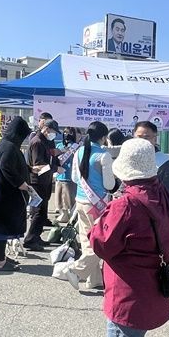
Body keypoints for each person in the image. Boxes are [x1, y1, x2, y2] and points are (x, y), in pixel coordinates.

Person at [88, 138, 169, 337]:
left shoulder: (125, 205)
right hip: (152, 286)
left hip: (127, 293)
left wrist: (98, 222)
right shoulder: (162, 194)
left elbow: (102, 244)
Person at [66, 121, 116, 290]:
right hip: (97, 205)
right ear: (104, 137)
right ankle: (76, 270)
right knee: (98, 242)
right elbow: (109, 185)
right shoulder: (104, 155)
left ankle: (94, 280)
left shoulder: (79, 151)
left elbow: (74, 178)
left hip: (80, 201)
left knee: (87, 241)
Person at [0, 117, 34, 271]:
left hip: (3, 196)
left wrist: (29, 169)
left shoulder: (6, 144)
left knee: (3, 230)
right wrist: (21, 183)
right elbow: (6, 167)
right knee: (0, 230)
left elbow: (13, 163)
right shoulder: (10, 147)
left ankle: (3, 258)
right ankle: (0, 263)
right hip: (3, 197)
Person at [24, 118, 61, 251]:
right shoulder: (38, 142)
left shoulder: (45, 142)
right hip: (37, 181)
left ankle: (37, 237)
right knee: (38, 212)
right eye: (53, 131)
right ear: (46, 129)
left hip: (44, 181)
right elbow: (39, 165)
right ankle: (30, 239)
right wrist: (55, 169)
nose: (54, 134)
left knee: (43, 211)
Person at [133, 120, 169, 198]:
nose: (142, 141)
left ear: (154, 138)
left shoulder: (166, 164)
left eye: (146, 138)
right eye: (139, 137)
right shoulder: (130, 158)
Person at [54, 127, 79, 224]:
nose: (66, 134)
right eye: (64, 132)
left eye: (69, 132)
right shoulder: (59, 145)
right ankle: (62, 214)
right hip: (59, 175)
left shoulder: (76, 147)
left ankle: (71, 217)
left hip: (70, 176)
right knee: (59, 198)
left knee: (69, 199)